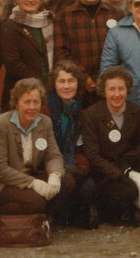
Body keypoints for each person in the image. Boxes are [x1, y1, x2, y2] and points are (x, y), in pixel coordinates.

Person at [0, 79, 65, 235]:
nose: (32, 107)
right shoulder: (1, 123)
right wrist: (32, 183)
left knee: (66, 182)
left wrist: (55, 175)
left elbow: (53, 155)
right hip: (0, 182)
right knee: (36, 200)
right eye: (27, 102)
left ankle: (34, 219)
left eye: (36, 102)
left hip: (26, 176)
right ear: (16, 103)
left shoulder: (45, 122)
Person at [82, 66, 140, 225]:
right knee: (128, 191)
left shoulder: (134, 110)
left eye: (121, 89)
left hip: (128, 166)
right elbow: (92, 155)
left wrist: (126, 165)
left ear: (127, 90)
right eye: (112, 89)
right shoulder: (92, 114)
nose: (117, 94)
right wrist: (117, 172)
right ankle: (117, 212)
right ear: (103, 91)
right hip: (105, 172)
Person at [44, 61, 98, 228]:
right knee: (66, 181)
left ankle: (70, 215)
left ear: (78, 83)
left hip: (71, 162)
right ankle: (50, 215)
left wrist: (81, 165)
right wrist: (61, 166)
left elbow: (81, 147)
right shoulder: (46, 109)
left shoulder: (79, 111)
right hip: (47, 165)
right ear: (54, 84)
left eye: (71, 81)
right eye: (62, 81)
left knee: (89, 187)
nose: (66, 86)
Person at [0, 0, 54, 110]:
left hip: (49, 93)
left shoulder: (49, 22)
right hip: (21, 94)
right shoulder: (10, 26)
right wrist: (40, 84)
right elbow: (13, 65)